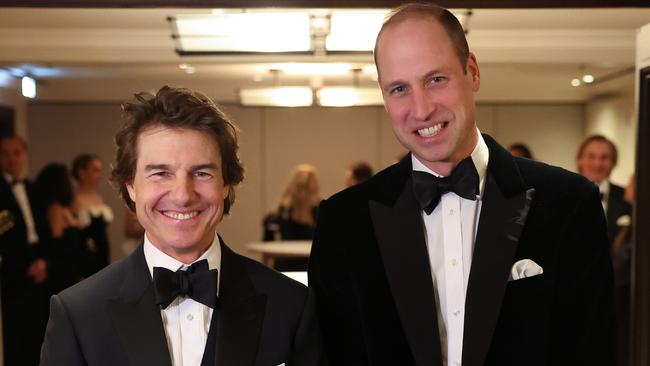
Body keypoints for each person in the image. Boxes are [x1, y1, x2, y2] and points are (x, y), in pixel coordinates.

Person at [308, 4, 615, 366]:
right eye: (399, 88)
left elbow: (592, 351)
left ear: (472, 72)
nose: (421, 109)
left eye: (436, 79)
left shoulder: (569, 204)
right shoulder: (343, 222)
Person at [40, 86, 324, 366]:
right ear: (131, 186)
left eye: (201, 173)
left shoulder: (291, 305)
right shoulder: (78, 313)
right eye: (161, 173)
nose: (183, 195)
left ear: (226, 184)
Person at [0, 135, 50, 366]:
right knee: (14, 338)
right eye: (5, 154)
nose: (12, 159)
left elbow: (47, 230)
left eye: (16, 153)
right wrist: (22, 268)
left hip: (40, 262)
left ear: (25, 156)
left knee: (39, 335)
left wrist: (42, 261)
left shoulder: (35, 188)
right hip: (12, 273)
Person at [34, 163, 90, 293]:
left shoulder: (65, 208)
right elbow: (56, 244)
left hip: (70, 270)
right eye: (68, 176)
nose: (72, 180)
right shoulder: (55, 209)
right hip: (62, 274)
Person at [262, 164, 320, 271]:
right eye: (305, 189)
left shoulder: (318, 211)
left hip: (311, 267)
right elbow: (267, 242)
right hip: (286, 267)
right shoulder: (282, 212)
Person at [576, 134, 631, 243]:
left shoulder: (627, 197)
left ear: (614, 162)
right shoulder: (565, 194)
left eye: (604, 157)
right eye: (591, 156)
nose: (597, 164)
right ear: (580, 160)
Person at [71, 153, 113, 273]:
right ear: (82, 173)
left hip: (102, 254)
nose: (99, 175)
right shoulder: (75, 200)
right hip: (86, 257)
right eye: (95, 170)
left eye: (100, 171)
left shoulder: (98, 198)